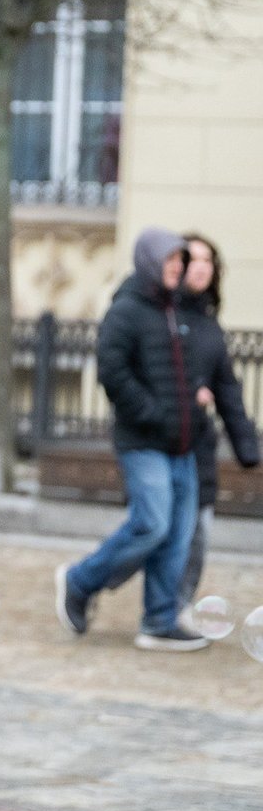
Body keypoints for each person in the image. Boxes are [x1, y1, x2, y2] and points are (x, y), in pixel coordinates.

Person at [55, 227, 210, 651]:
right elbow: (112, 371)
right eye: (171, 260)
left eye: (180, 261)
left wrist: (195, 397)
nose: (178, 268)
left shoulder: (176, 309)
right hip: (143, 442)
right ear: (150, 261)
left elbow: (187, 367)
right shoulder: (126, 310)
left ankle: (159, 621)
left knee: (177, 535)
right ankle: (80, 580)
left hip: (183, 443)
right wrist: (152, 413)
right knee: (152, 524)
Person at [174, 233, 260, 618]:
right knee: (157, 532)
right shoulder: (162, 315)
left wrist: (248, 448)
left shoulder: (210, 324)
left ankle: (175, 608)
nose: (201, 267)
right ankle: (85, 581)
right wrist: (189, 392)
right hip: (164, 443)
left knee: (199, 533)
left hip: (199, 446)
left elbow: (227, 390)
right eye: (192, 259)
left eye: (208, 260)